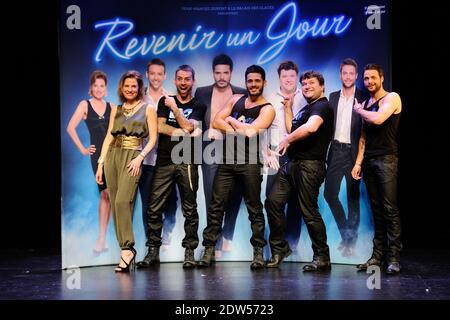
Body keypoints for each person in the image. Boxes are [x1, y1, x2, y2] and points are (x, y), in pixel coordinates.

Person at [198, 65, 275, 270]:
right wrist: (237, 129)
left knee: (254, 208)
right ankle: (208, 250)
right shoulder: (235, 99)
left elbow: (250, 134)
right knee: (216, 206)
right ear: (246, 81)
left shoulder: (267, 109)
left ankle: (258, 253)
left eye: (257, 81)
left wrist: (231, 120)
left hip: (250, 163)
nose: (253, 84)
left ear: (264, 83)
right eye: (250, 80)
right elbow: (215, 121)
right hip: (227, 161)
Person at [265, 70, 333, 271]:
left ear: (322, 86)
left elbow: (311, 128)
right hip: (293, 164)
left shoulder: (323, 106)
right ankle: (280, 249)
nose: (307, 87)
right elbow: (293, 128)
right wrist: (287, 109)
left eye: (311, 83)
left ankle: (322, 257)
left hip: (310, 166)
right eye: (304, 84)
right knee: (273, 202)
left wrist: (286, 139)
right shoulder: (307, 108)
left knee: (309, 212)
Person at [140, 65, 206, 269]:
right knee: (154, 207)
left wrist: (176, 111)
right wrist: (181, 131)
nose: (184, 82)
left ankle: (189, 252)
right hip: (165, 160)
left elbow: (190, 126)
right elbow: (159, 127)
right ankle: (153, 251)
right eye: (180, 79)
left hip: (188, 159)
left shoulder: (199, 104)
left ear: (193, 81)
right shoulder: (163, 101)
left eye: (187, 79)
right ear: (175, 81)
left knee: (190, 208)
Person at [95, 70, 158, 272]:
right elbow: (108, 137)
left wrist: (140, 158)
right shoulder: (117, 109)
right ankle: (126, 250)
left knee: (123, 201)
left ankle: (128, 248)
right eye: (127, 85)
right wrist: (101, 163)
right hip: (113, 155)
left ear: (139, 88)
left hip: (133, 156)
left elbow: (154, 139)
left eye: (134, 86)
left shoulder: (148, 109)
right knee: (114, 202)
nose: (130, 89)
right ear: (121, 88)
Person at [351, 64, 402, 275]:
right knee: (377, 211)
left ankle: (394, 258)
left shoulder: (392, 98)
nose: (369, 81)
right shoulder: (366, 103)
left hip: (386, 159)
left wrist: (359, 110)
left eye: (373, 77)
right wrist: (358, 163)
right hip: (370, 161)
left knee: (389, 209)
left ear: (381, 78)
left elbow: (379, 118)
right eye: (366, 78)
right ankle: (377, 257)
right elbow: (363, 137)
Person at [194, 54, 247, 258]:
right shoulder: (202, 92)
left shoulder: (241, 93)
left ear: (231, 73)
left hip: (236, 149)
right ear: (213, 73)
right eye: (218, 72)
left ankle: (227, 236)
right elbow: (196, 118)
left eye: (226, 72)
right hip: (210, 149)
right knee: (211, 197)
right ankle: (212, 243)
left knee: (235, 195)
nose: (222, 76)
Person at [324, 58, 368, 257]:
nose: (348, 76)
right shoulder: (332, 97)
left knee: (352, 199)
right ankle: (346, 236)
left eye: (352, 73)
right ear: (340, 74)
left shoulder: (363, 98)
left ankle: (351, 243)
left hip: (353, 153)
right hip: (335, 151)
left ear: (356, 76)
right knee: (329, 194)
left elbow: (365, 132)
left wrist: (359, 159)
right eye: (345, 73)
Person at [66, 70, 112, 255]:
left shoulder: (111, 106)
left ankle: (106, 238)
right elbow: (70, 127)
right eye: (96, 85)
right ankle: (101, 239)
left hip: (113, 155)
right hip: (97, 156)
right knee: (104, 194)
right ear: (90, 88)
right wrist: (83, 149)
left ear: (106, 89)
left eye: (102, 86)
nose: (99, 89)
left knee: (112, 196)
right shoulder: (85, 105)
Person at [265, 60, 307, 254]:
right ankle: (278, 244)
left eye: (291, 76)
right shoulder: (270, 98)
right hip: (274, 154)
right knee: (272, 199)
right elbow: (262, 128)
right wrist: (265, 150)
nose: (288, 80)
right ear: (279, 78)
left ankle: (293, 243)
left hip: (298, 153)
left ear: (296, 77)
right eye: (284, 76)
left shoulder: (305, 97)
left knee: (297, 201)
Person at [139, 58, 178, 251]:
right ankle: (151, 242)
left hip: (166, 159)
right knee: (147, 202)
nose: (155, 77)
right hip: (145, 158)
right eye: (152, 73)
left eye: (159, 74)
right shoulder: (139, 99)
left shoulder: (170, 99)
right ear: (147, 75)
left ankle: (168, 234)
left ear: (165, 76)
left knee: (171, 200)